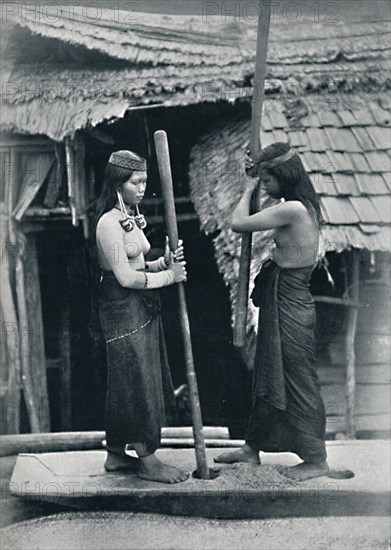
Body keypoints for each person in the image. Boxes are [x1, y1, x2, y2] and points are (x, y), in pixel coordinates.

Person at [215, 142, 329, 482]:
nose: (264, 185)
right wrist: (256, 168)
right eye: (261, 180)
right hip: (283, 302)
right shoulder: (296, 203)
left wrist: (248, 186)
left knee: (296, 380)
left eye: (267, 179)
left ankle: (316, 458)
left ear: (283, 176)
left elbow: (238, 223)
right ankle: (252, 447)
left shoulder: (293, 209)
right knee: (268, 374)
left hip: (292, 306)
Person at [94, 150, 189, 484]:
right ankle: (147, 460)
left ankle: (116, 456)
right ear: (118, 183)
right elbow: (125, 277)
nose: (142, 188)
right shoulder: (108, 224)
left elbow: (139, 267)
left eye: (145, 181)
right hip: (121, 309)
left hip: (140, 307)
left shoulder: (130, 217)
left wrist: (163, 263)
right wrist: (170, 278)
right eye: (135, 182)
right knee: (134, 380)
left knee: (136, 377)